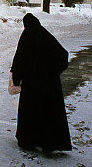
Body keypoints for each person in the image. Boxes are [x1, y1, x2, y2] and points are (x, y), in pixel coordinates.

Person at [9, 13, 72, 152]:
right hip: (49, 84)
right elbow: (63, 54)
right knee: (48, 112)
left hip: (31, 84)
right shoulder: (45, 35)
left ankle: (29, 140)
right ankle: (49, 143)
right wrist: (53, 71)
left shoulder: (26, 36)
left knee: (31, 111)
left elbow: (19, 59)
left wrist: (17, 79)